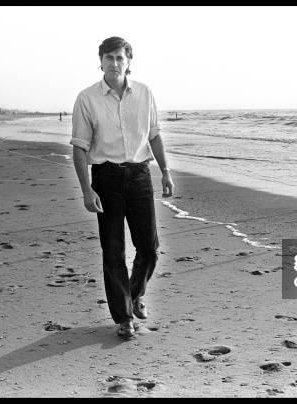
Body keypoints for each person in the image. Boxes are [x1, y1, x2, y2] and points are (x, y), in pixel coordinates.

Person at [70, 36, 174, 339]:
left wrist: (165, 171)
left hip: (140, 175)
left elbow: (154, 135)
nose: (115, 63)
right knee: (113, 250)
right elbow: (79, 148)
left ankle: (134, 293)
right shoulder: (87, 98)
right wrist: (87, 190)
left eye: (120, 58)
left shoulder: (145, 93)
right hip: (106, 178)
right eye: (109, 57)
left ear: (129, 62)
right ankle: (124, 317)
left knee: (149, 247)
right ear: (100, 61)